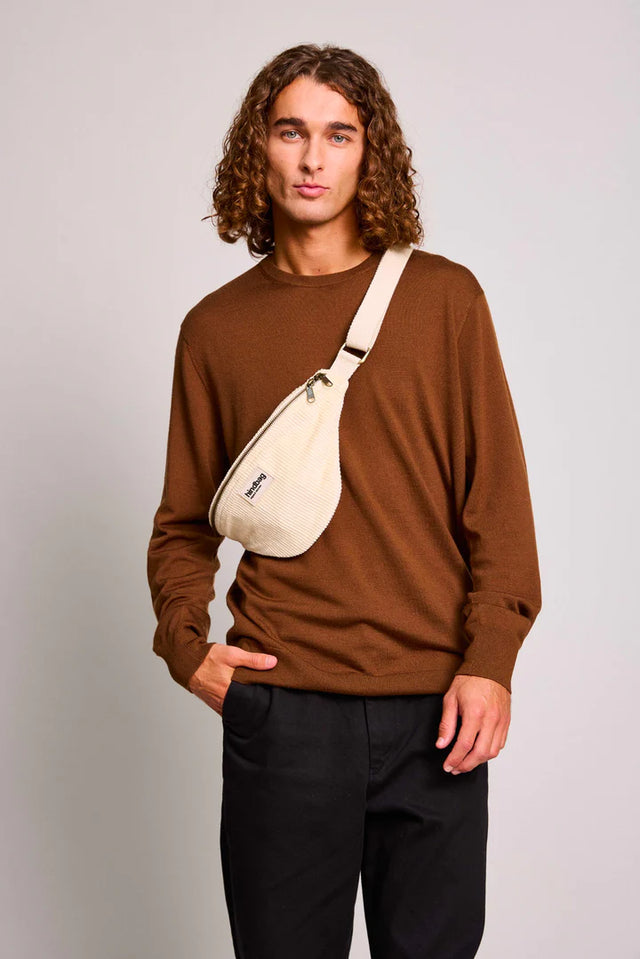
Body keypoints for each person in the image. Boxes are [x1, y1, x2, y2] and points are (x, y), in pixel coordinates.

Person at [147, 42, 542, 959]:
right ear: (258, 149)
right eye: (291, 132)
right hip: (282, 709)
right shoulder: (214, 329)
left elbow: (498, 500)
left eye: (339, 134)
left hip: (435, 708)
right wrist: (187, 649)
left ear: (372, 153)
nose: (313, 159)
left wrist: (491, 659)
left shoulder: (445, 299)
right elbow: (182, 525)